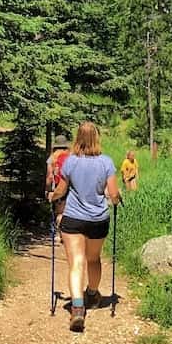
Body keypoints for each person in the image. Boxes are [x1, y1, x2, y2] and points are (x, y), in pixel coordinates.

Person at [47, 121, 121, 332]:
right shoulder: (106, 162)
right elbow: (114, 195)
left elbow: (61, 190)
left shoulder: (70, 162)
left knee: (76, 262)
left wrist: (53, 197)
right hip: (98, 219)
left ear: (77, 138)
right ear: (97, 138)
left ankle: (77, 309)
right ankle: (92, 293)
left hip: (74, 219)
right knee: (93, 258)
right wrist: (115, 199)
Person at [45, 134, 71, 236]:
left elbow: (49, 177)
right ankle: (66, 234)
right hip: (70, 188)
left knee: (59, 213)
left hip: (57, 188)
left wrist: (48, 190)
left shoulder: (52, 158)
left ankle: (61, 234)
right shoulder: (70, 157)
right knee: (68, 212)